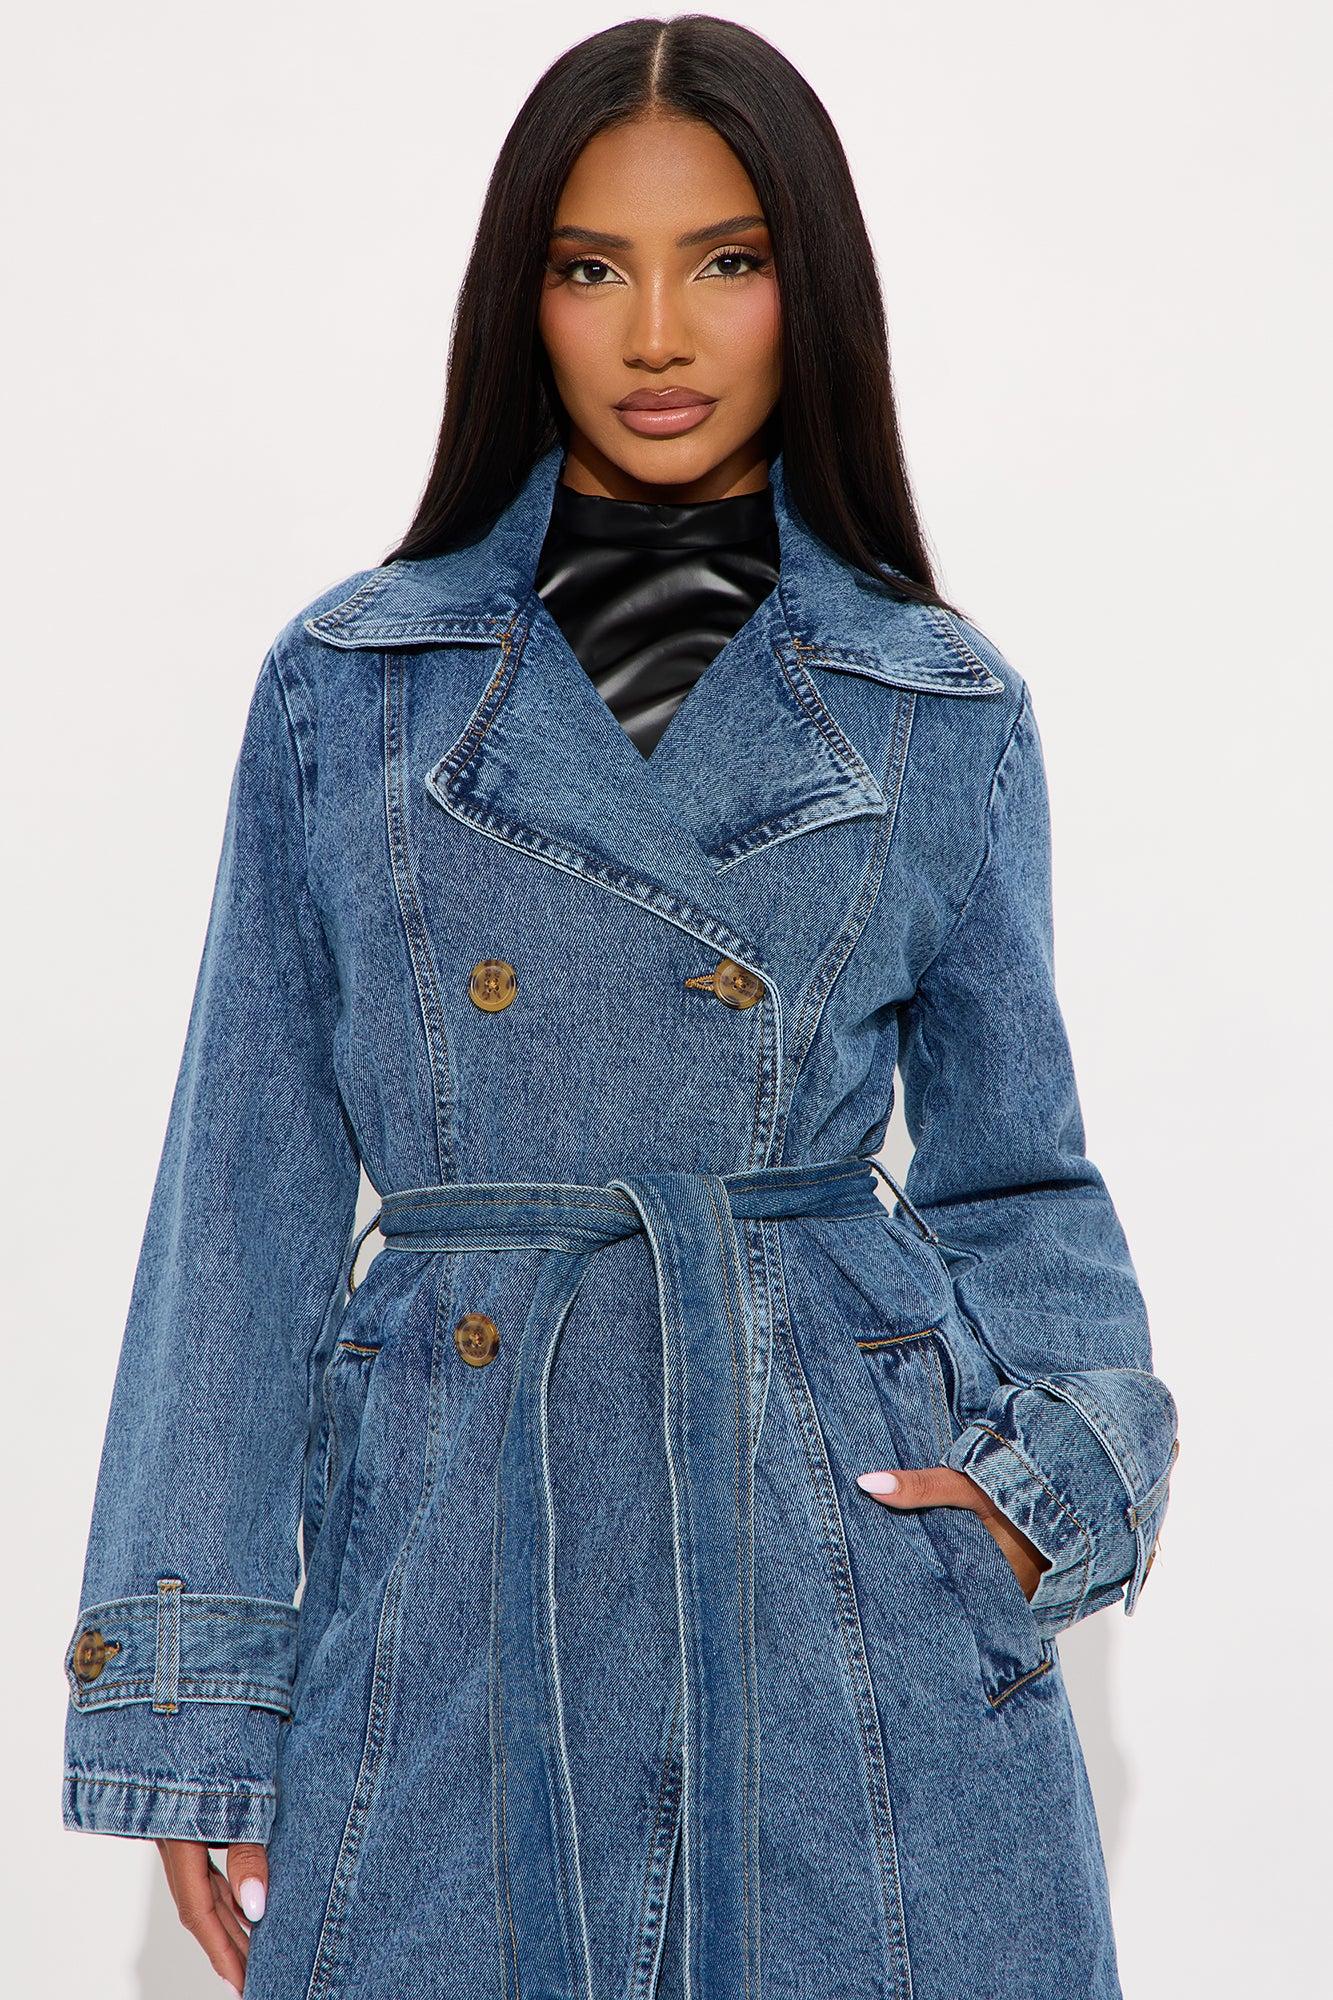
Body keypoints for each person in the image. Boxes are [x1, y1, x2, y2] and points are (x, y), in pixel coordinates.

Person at [60, 17, 1180, 1999]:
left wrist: (1046, 1489)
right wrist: (194, 1689)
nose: (658, 331)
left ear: (805, 289)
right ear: (526, 297)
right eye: (593, 266)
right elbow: (238, 1206)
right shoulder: (353, 688)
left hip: (840, 1581)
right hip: (457, 1575)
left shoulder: (935, 702)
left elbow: (1020, 1180)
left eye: (725, 261)